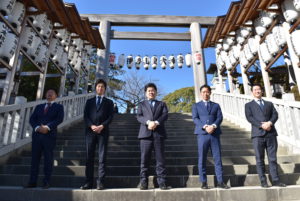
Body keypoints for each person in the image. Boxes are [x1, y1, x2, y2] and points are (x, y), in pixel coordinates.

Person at [245, 83, 286, 188]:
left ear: (261, 91)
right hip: (257, 135)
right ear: (252, 92)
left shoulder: (269, 103)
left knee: (272, 158)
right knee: (259, 159)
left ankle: (276, 180)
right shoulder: (248, 105)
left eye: (259, 89)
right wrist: (261, 125)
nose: (257, 91)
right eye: (255, 90)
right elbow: (249, 118)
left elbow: (275, 114)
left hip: (271, 134)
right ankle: (263, 181)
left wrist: (270, 123)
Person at [192, 84, 229, 189]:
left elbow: (219, 117)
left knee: (217, 158)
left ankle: (220, 181)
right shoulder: (196, 105)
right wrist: (205, 126)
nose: (205, 94)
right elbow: (195, 118)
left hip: (214, 134)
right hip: (202, 134)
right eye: (203, 92)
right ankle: (203, 182)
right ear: (200, 93)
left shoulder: (216, 105)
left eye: (207, 92)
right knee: (202, 158)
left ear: (210, 93)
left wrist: (213, 126)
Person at [25, 89, 64, 189]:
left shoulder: (59, 107)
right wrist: (38, 128)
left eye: (52, 93)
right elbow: (32, 119)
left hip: (49, 136)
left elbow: (59, 119)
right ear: (45, 95)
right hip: (37, 136)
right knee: (34, 160)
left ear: (56, 96)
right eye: (48, 93)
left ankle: (46, 181)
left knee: (48, 159)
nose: (49, 94)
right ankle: (32, 181)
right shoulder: (39, 107)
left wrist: (47, 127)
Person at [80, 79, 114, 190]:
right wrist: (91, 126)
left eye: (102, 87)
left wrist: (102, 126)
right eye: (98, 86)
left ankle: (100, 182)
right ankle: (88, 182)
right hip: (90, 132)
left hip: (103, 132)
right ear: (96, 88)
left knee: (102, 157)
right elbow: (85, 116)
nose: (100, 88)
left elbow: (110, 117)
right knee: (89, 157)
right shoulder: (89, 102)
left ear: (105, 89)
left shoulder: (109, 102)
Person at [136, 83, 170, 190]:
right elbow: (139, 116)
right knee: (144, 159)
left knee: (160, 159)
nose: (151, 92)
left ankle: (162, 182)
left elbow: (165, 115)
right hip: (145, 134)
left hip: (158, 134)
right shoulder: (141, 104)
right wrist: (148, 122)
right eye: (149, 90)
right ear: (146, 93)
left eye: (153, 90)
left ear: (156, 92)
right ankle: (143, 182)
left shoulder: (162, 104)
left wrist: (156, 122)